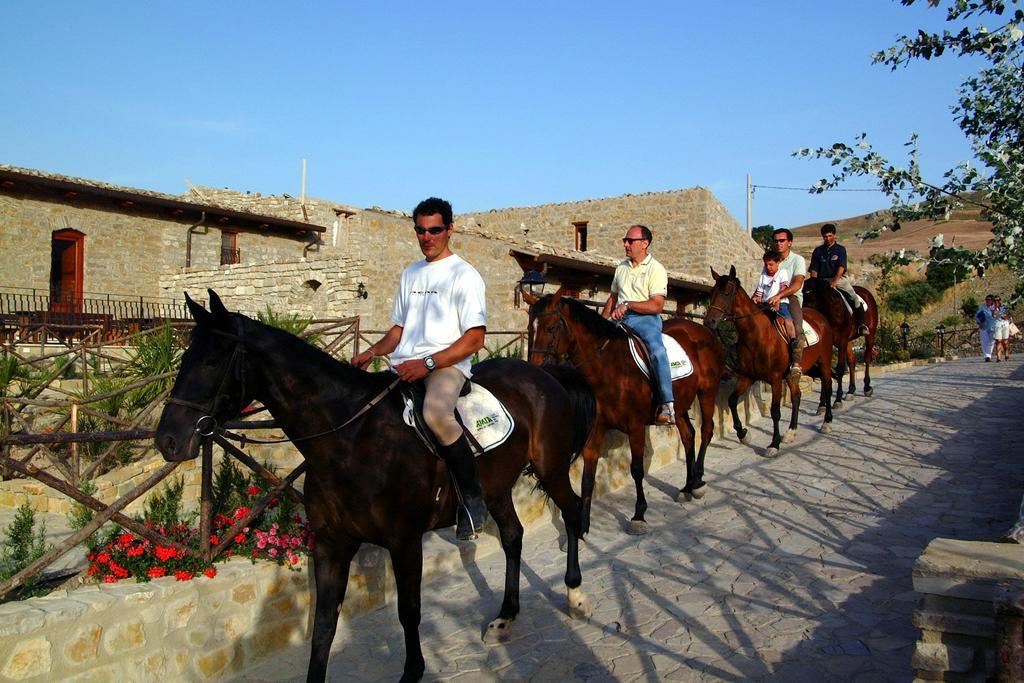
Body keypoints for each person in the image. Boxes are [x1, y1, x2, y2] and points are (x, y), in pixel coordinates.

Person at [351, 197, 489, 541]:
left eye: (435, 230)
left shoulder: (464, 275)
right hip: (405, 366)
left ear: (450, 229)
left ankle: (472, 499)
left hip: (446, 367)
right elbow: (399, 330)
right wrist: (371, 352)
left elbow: (474, 339)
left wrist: (427, 363)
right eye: (420, 230)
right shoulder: (410, 273)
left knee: (436, 414)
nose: (427, 237)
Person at [601, 224, 676, 425]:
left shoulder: (656, 269)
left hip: (646, 320)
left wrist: (628, 305)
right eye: (625, 240)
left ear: (644, 244)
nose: (626, 244)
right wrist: (601, 322)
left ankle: (667, 405)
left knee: (658, 351)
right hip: (619, 319)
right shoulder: (621, 267)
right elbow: (612, 298)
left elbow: (657, 305)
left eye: (630, 240)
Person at [808, 223, 870, 337]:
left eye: (830, 236)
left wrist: (835, 281)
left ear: (835, 235)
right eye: (825, 236)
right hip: (822, 281)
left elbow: (841, 267)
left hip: (838, 279)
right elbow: (814, 269)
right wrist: (814, 282)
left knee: (854, 297)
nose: (827, 238)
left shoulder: (840, 250)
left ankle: (861, 324)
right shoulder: (818, 251)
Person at [767, 228, 808, 377]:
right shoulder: (771, 260)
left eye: (782, 240)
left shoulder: (798, 260)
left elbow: (797, 284)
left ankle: (796, 363)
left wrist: (779, 296)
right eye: (776, 241)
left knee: (796, 325)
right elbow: (763, 282)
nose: (778, 243)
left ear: (789, 242)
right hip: (770, 297)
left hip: (791, 298)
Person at [753, 249, 800, 362]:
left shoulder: (782, 273)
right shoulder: (763, 275)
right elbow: (760, 290)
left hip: (781, 301)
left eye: (771, 264)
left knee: (788, 320)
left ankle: (793, 339)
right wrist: (756, 298)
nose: (768, 267)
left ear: (778, 263)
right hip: (766, 303)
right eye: (766, 264)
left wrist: (778, 300)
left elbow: (783, 288)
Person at [976, 294, 997, 361]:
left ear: (992, 300)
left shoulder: (995, 308)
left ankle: (989, 354)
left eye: (989, 300)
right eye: (986, 299)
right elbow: (977, 315)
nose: (987, 301)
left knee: (991, 341)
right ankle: (987, 356)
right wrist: (979, 323)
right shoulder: (982, 307)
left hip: (993, 327)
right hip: (984, 326)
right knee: (984, 341)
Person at [993, 295, 1011, 361]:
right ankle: (999, 357)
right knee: (998, 341)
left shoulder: (1004, 306)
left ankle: (1006, 352)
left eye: (998, 300)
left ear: (1000, 300)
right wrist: (995, 310)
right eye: (995, 300)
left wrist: (1006, 316)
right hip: (997, 325)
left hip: (1005, 324)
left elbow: (1009, 314)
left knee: (1005, 341)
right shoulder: (992, 307)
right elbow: (993, 316)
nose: (996, 301)